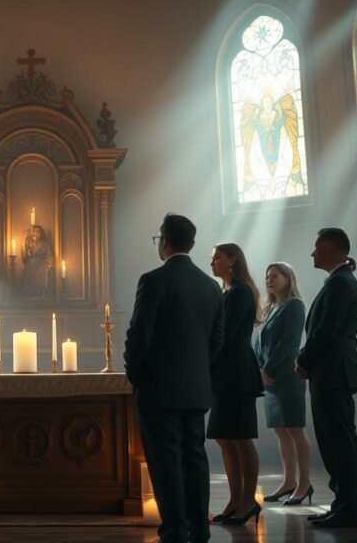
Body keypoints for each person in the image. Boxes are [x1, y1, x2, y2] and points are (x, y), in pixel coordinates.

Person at [123, 214, 224, 543]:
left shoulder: (153, 281)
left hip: (158, 388)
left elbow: (140, 335)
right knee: (195, 457)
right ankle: (200, 529)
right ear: (191, 244)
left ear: (164, 242)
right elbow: (217, 340)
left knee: (165, 462)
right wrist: (197, 369)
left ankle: (175, 532)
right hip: (196, 388)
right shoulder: (211, 285)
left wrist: (135, 375)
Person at [295, 228, 357, 528]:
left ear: (330, 247)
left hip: (332, 370)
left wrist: (303, 359)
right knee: (339, 441)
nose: (312, 253)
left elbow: (327, 330)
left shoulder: (340, 283)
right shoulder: (340, 280)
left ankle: (350, 509)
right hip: (333, 370)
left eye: (316, 247)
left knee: (338, 442)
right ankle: (346, 505)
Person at [207, 243, 264, 526]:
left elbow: (225, 334)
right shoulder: (226, 291)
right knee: (224, 436)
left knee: (240, 436)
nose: (212, 263)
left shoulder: (240, 291)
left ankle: (247, 501)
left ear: (233, 260)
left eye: (217, 257)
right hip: (224, 370)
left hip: (236, 370)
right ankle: (235, 499)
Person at [255, 262, 312, 505]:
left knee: (295, 428)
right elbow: (260, 344)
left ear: (288, 279)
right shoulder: (270, 308)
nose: (269, 280)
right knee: (281, 430)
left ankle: (304, 483)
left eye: (275, 276)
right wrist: (259, 369)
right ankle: (289, 481)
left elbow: (290, 342)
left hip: (287, 374)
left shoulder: (294, 305)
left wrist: (266, 369)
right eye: (267, 276)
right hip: (270, 377)